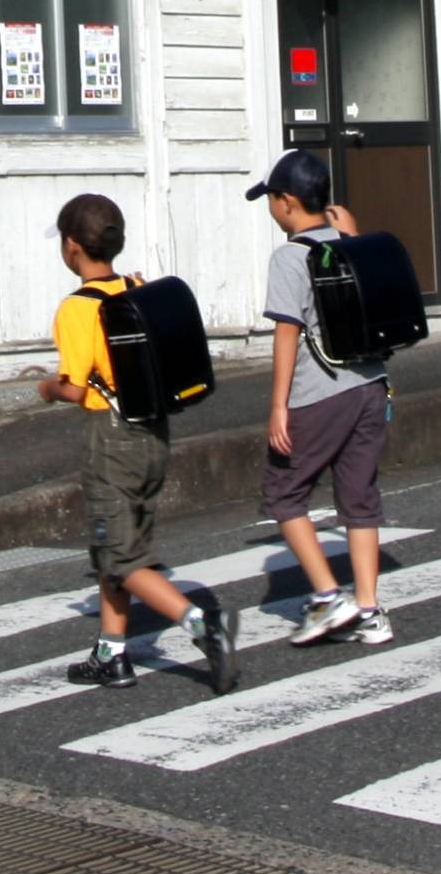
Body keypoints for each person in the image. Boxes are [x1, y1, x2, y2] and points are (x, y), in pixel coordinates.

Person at [36, 192, 237, 694]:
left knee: (121, 554)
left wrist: (45, 387)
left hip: (112, 438)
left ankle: (199, 624)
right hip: (152, 432)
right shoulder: (134, 290)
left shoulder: (77, 309)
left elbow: (77, 387)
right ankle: (112, 651)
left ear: (71, 247)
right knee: (119, 543)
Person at [249, 149, 392, 647]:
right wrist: (352, 232)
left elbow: (287, 333)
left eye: (271, 198)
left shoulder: (290, 257)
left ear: (287, 202)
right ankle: (370, 610)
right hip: (371, 386)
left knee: (283, 494)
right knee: (359, 498)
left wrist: (278, 405)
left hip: (319, 393)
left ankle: (331, 597)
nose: (270, 207)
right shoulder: (352, 243)